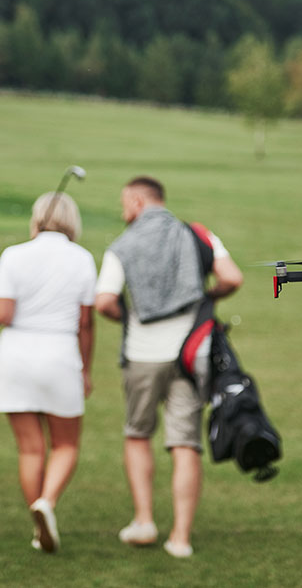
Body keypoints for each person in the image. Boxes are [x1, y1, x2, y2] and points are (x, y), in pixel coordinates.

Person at [94, 176, 243, 559]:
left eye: (125, 203)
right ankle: (180, 537)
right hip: (191, 354)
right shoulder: (197, 234)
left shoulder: (122, 245)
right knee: (185, 442)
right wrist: (207, 299)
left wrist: (130, 317)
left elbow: (104, 301)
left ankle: (144, 520)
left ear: (138, 201)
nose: (123, 211)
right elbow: (231, 277)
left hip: (142, 354)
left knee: (138, 434)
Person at [0, 192, 96, 553]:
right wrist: (86, 369)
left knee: (30, 449)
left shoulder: (13, 255)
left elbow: (3, 314)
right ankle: (46, 502)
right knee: (65, 444)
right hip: (60, 353)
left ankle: (39, 525)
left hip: (15, 354)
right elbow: (85, 323)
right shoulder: (82, 259)